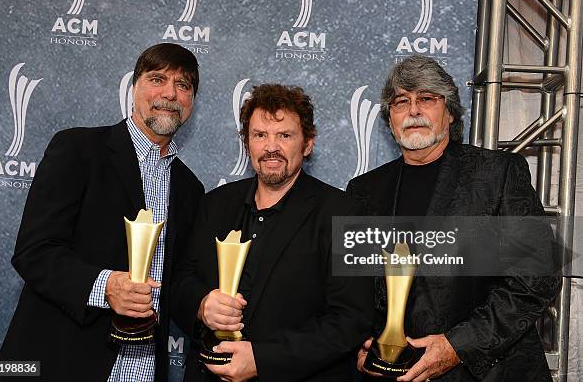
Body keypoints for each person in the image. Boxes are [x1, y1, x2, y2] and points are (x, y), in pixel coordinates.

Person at [0, 43, 205, 382]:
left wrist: (208, 307)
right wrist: (106, 286)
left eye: (183, 85)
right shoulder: (78, 150)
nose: (170, 92)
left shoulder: (191, 189)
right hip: (61, 361)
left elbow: (178, 282)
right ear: (133, 87)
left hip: (143, 369)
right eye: (157, 79)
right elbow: (35, 251)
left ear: (191, 102)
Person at [347, 55, 561, 382]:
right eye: (401, 101)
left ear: (449, 112)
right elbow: (353, 289)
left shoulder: (498, 174)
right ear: (389, 118)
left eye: (427, 99)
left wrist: (456, 347)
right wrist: (359, 348)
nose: (414, 110)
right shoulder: (363, 191)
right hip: (390, 373)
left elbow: (537, 277)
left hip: (485, 373)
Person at [170, 84, 374, 381]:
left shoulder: (346, 214)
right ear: (247, 143)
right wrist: (201, 304)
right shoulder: (215, 204)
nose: (271, 148)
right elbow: (180, 281)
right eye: (260, 135)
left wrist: (262, 360)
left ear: (308, 144)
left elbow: (351, 320)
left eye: (285, 136)